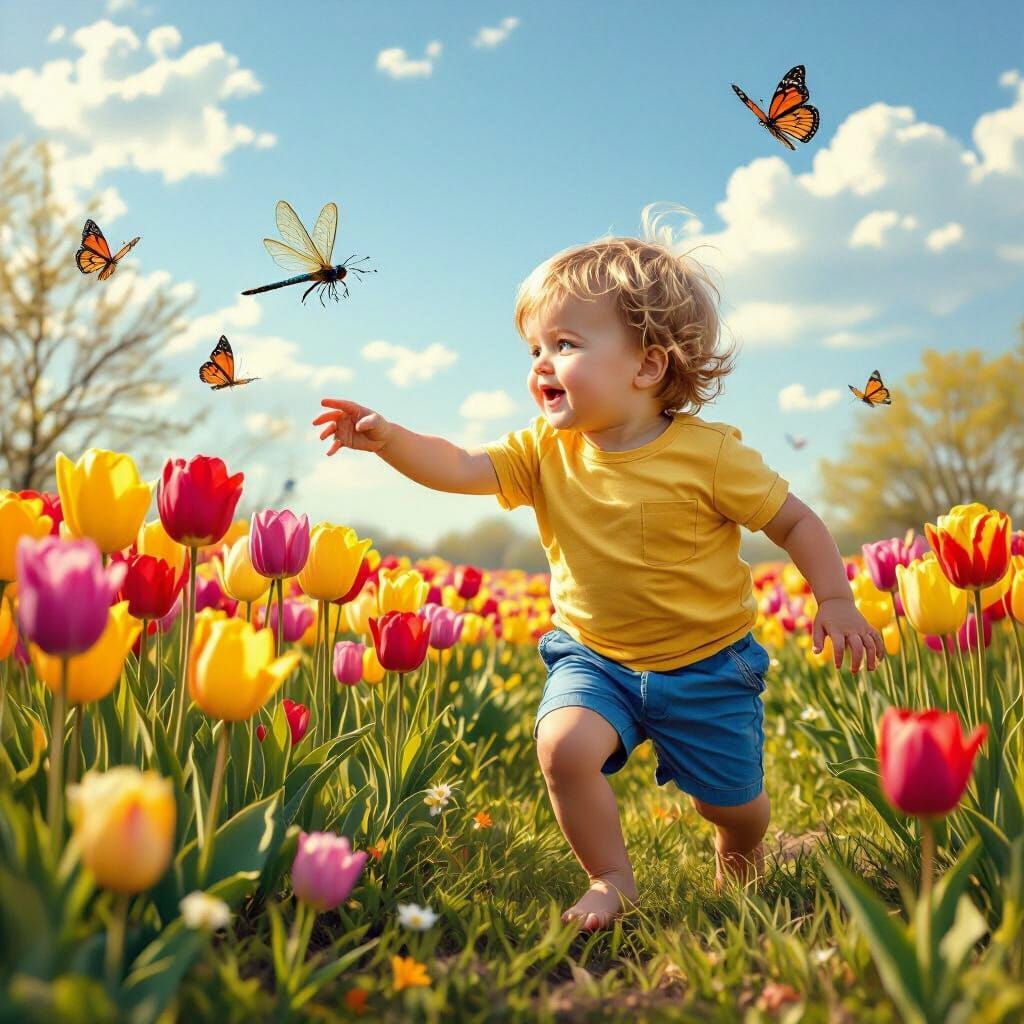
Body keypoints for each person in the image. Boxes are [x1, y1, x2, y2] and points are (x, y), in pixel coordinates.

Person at [312, 233, 885, 932]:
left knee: (731, 805)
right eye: (535, 350)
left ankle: (746, 846)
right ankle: (612, 877)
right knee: (563, 745)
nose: (542, 364)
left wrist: (834, 598)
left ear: (646, 366)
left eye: (565, 345)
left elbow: (795, 522)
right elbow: (461, 465)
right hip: (596, 657)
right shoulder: (545, 449)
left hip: (708, 663)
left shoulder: (709, 457)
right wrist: (391, 439)